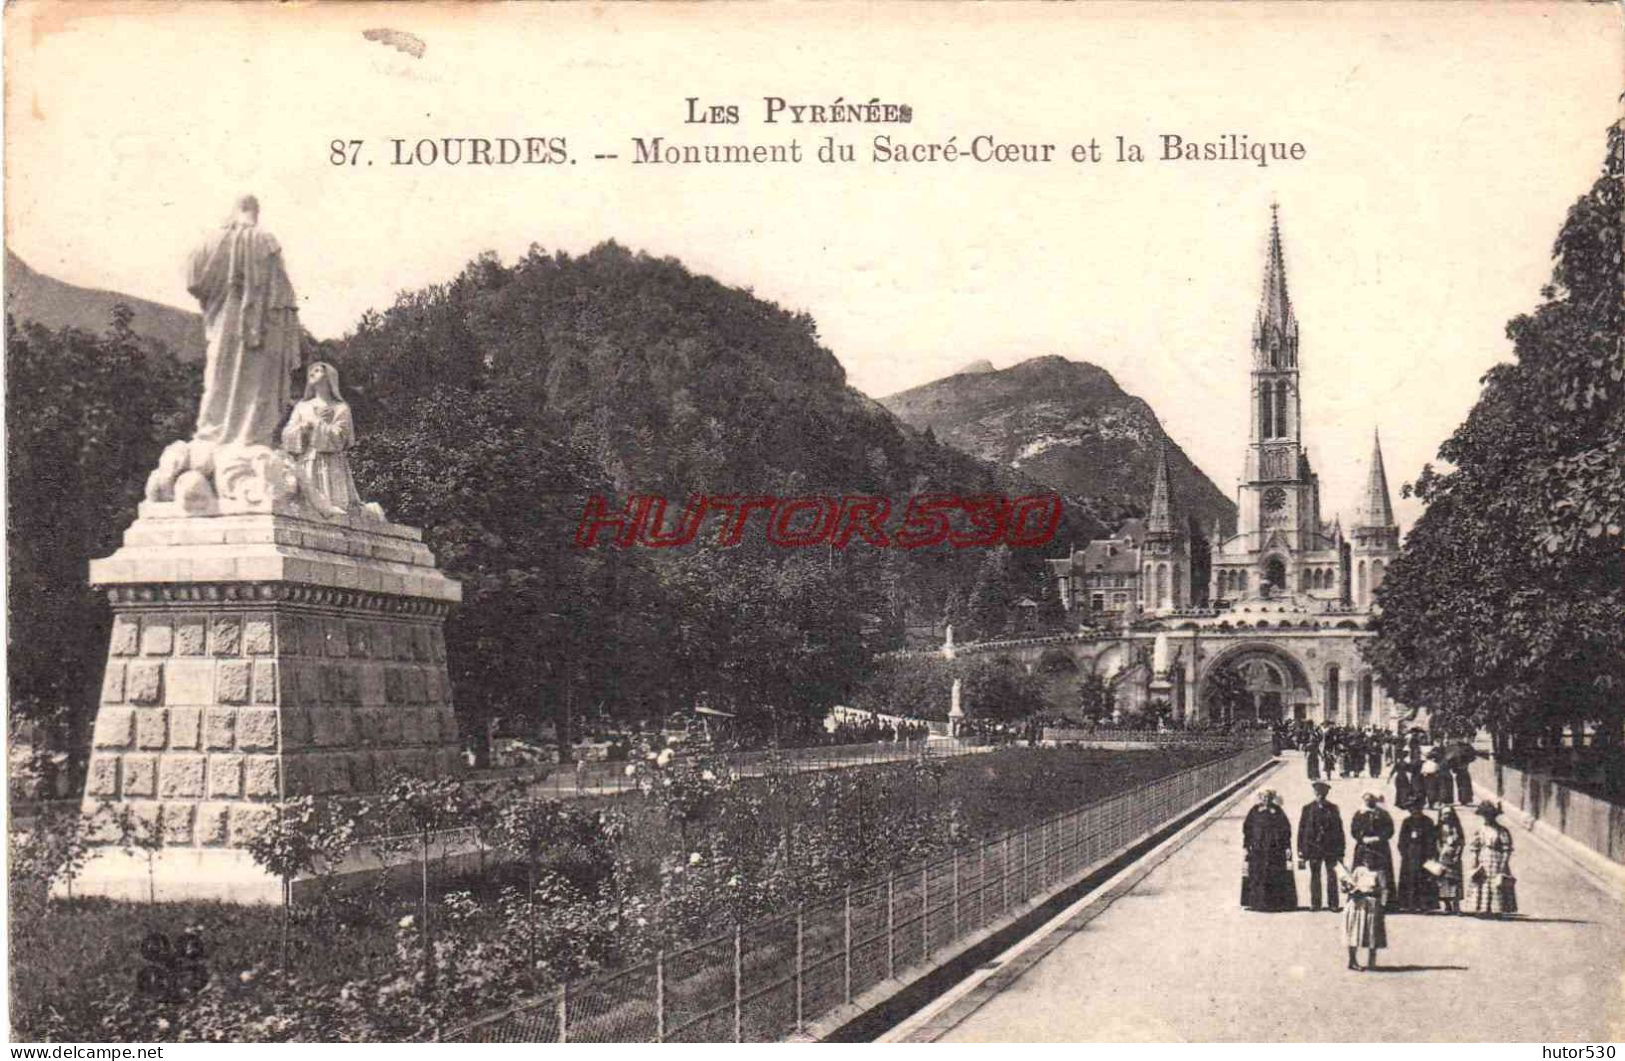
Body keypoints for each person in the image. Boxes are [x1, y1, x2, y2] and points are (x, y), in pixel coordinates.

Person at [187, 195, 302, 448]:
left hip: (224, 325)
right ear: (255, 211)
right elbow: (283, 296)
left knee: (218, 380)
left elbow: (193, 281)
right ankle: (247, 439)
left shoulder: (210, 240)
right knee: (256, 388)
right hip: (261, 332)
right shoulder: (265, 240)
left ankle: (214, 435)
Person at [280, 362, 375, 519]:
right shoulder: (302, 407)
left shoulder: (341, 408)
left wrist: (318, 423)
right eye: (311, 370)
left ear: (329, 378)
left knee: (336, 511)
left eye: (318, 370)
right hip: (308, 460)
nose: (313, 372)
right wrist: (304, 427)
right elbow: (287, 435)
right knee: (308, 509)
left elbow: (341, 439)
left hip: (332, 464)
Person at [1242, 788, 1297, 911]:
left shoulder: (1278, 812)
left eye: (1268, 797)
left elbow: (1286, 830)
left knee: (1273, 875)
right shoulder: (1254, 811)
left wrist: (1287, 846)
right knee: (1257, 875)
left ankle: (1274, 903)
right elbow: (1247, 830)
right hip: (1258, 849)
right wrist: (1246, 846)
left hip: (1274, 849)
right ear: (1260, 798)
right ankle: (1256, 903)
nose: (1266, 800)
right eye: (1263, 797)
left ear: (1272, 798)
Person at [1297, 780, 1345, 912]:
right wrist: (1301, 852)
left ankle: (1333, 904)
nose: (1320, 796)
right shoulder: (1307, 809)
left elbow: (1339, 830)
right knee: (1315, 876)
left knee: (1332, 876)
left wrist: (1341, 852)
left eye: (1323, 793)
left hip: (1331, 848)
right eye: (1318, 793)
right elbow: (1301, 831)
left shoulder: (1333, 808)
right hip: (1313, 848)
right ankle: (1315, 903)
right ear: (1314, 793)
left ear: (1327, 793)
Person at [1470, 800, 1518, 917]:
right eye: (1484, 815)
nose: (1486, 818)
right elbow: (1475, 846)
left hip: (1496, 858)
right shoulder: (1480, 829)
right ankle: (1483, 909)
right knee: (1482, 882)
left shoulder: (1502, 831)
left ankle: (1497, 910)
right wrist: (1474, 860)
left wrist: (1504, 863)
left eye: (1489, 815)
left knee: (1496, 883)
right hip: (1483, 857)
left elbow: (1507, 848)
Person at [1349, 789, 1395, 905]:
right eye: (1367, 800)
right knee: (1362, 871)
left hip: (1380, 847)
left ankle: (1384, 902)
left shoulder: (1383, 814)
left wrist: (1380, 838)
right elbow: (1354, 830)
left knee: (1382, 874)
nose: (1369, 802)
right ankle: (1361, 900)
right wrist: (1362, 838)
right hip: (1364, 847)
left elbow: (1390, 829)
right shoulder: (1359, 814)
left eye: (1371, 800)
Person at [1341, 863, 1387, 971]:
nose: (1369, 859)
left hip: (1372, 905)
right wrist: (1348, 888)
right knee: (1354, 932)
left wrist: (1382, 904)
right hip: (1356, 905)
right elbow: (1348, 887)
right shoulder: (1358, 870)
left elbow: (1383, 890)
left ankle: (1372, 962)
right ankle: (1352, 961)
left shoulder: (1379, 872)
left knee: (1372, 932)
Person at [1395, 800, 1439, 912]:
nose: (1414, 811)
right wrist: (1404, 852)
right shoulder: (1407, 822)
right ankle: (1409, 904)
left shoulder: (1428, 821)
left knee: (1424, 879)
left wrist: (1431, 853)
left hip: (1423, 854)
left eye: (1416, 808)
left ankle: (1424, 904)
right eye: (1411, 809)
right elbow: (1402, 840)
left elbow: (1431, 839)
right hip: (1410, 855)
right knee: (1409, 879)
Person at [1435, 805, 1466, 914]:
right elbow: (1437, 842)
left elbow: (1461, 842)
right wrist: (1439, 853)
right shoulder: (1438, 828)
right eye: (1444, 814)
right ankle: (1447, 904)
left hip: (1454, 856)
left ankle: (1456, 905)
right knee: (1443, 881)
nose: (1446, 816)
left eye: (1448, 814)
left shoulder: (1457, 828)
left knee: (1455, 881)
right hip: (1442, 856)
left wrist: (1458, 854)